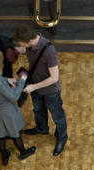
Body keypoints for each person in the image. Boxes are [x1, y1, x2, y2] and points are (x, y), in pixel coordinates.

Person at [12, 25, 68, 157]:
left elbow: (54, 78)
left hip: (50, 91)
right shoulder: (30, 45)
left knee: (58, 117)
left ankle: (62, 138)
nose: (21, 46)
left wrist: (34, 87)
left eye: (21, 44)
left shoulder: (49, 50)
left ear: (28, 41)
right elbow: (22, 50)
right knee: (38, 110)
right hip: (36, 86)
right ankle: (42, 128)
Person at [0, 49, 36, 165]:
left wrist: (6, 80)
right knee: (15, 133)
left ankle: (4, 157)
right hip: (5, 111)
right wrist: (22, 80)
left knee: (0, 135)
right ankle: (23, 152)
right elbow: (14, 97)